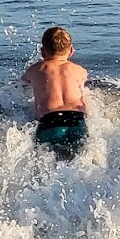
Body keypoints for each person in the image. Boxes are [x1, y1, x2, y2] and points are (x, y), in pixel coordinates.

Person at [21, 26, 89, 160]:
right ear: (71, 51)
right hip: (77, 122)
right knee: (78, 163)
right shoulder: (80, 70)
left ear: (42, 52)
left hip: (49, 123)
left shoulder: (36, 69)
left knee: (44, 165)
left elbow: (20, 85)